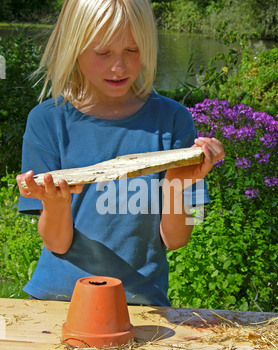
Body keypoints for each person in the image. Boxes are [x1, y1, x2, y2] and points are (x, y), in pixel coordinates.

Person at [17, 0, 225, 306]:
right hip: (58, 300)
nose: (120, 66)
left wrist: (177, 183)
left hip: (140, 303)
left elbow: (177, 239)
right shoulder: (47, 121)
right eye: (103, 53)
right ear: (74, 48)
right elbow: (56, 243)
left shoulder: (173, 121)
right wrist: (55, 203)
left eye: (133, 50)